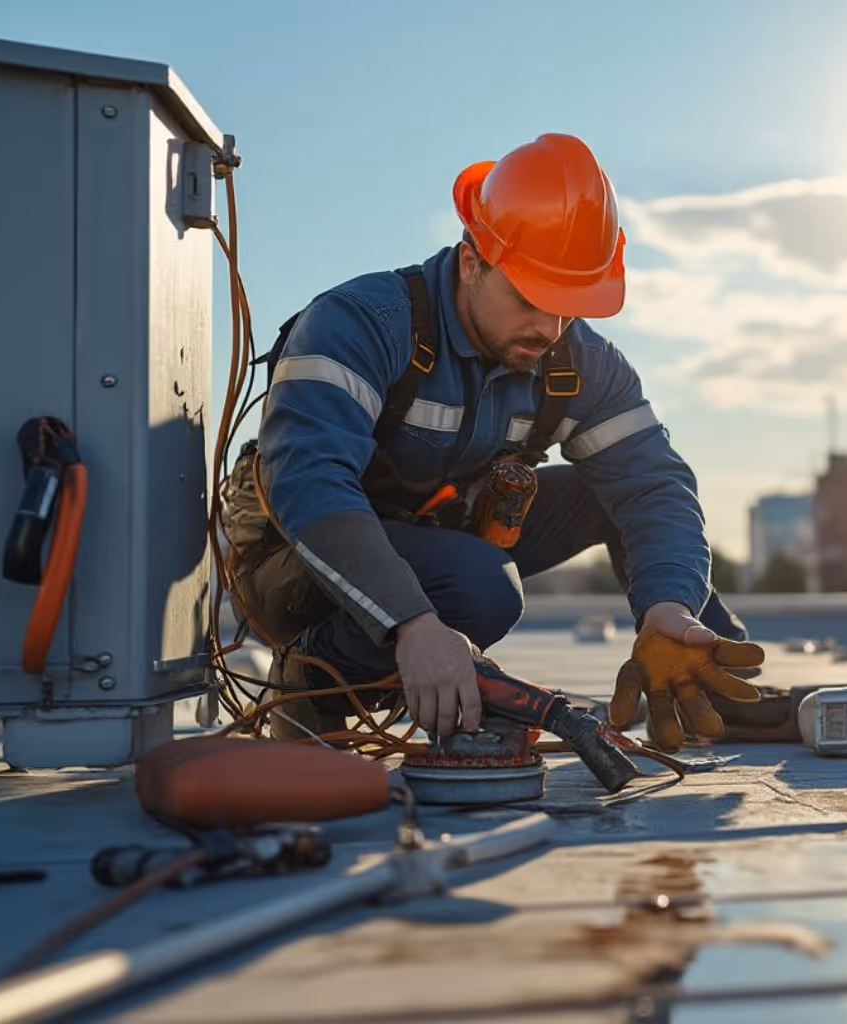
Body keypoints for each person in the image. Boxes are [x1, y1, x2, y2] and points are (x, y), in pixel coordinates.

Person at [250, 133, 758, 751]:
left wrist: (670, 606)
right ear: (472, 263)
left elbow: (653, 484)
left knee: (612, 499)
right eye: (528, 297)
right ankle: (312, 677)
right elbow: (311, 482)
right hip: (297, 559)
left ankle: (716, 680)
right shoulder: (361, 322)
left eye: (568, 305)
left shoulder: (578, 361)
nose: (548, 327)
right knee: (479, 587)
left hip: (444, 530)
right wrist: (412, 624)